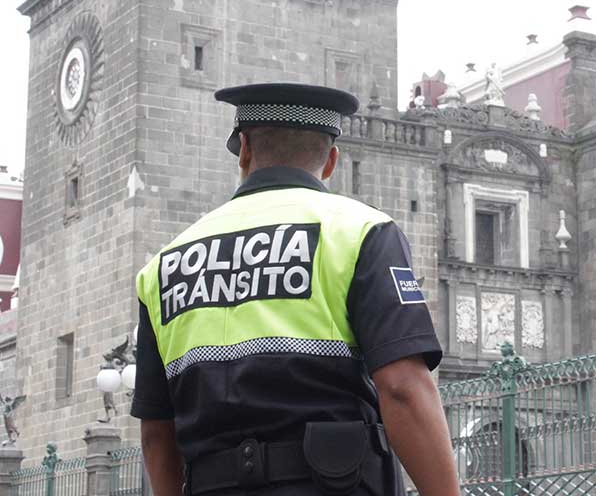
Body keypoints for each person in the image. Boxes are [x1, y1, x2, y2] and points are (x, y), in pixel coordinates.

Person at [131, 83, 459, 496]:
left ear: (245, 149)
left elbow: (156, 433)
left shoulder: (163, 266)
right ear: (331, 161)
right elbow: (402, 388)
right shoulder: (361, 232)